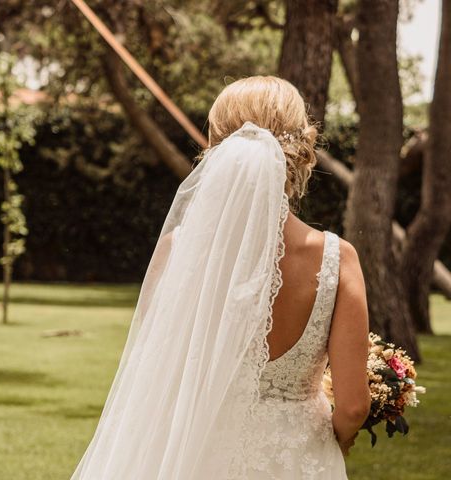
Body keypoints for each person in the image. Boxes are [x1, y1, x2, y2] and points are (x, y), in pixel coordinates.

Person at [71, 76, 370, 479]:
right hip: (299, 460)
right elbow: (353, 406)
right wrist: (339, 438)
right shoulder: (337, 258)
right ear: (302, 150)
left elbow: (155, 371)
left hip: (198, 452)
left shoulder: (179, 250)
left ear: (216, 149)